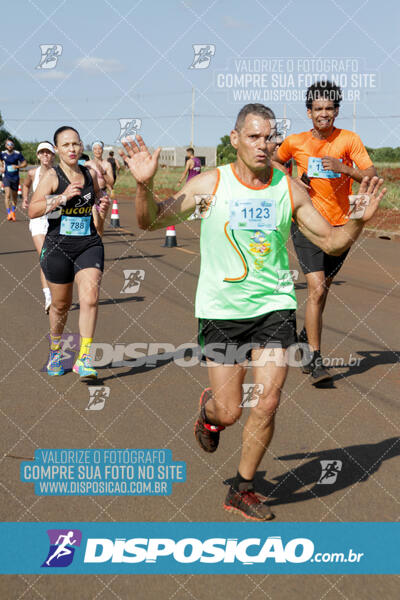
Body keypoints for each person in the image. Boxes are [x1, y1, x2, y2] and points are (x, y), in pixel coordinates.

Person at [120, 103, 386, 521]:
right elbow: (151, 221)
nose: (264, 145)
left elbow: (333, 242)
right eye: (254, 137)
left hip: (274, 308)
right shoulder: (211, 183)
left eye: (270, 137)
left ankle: (243, 488)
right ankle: (210, 415)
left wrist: (358, 220)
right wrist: (144, 186)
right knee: (230, 410)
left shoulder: (288, 189)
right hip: (221, 312)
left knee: (268, 401)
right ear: (235, 139)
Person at [274, 81, 377, 383]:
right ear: (309, 112)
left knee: (324, 290)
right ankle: (315, 360)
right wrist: (292, 180)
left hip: (340, 226)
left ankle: (307, 334)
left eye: (329, 108)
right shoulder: (295, 142)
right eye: (318, 109)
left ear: (336, 111)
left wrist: (347, 170)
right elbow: (275, 161)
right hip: (306, 223)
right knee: (316, 288)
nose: (324, 114)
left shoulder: (349, 139)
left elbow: (370, 175)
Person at [29, 126, 110, 379]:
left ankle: (83, 359)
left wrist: (102, 207)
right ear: (57, 150)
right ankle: (56, 350)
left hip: (88, 244)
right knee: (61, 305)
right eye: (66, 145)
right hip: (58, 247)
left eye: (75, 143)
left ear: (81, 145)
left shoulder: (90, 175)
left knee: (91, 297)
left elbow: (97, 217)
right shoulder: (53, 177)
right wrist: (61, 198)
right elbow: (33, 210)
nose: (72, 149)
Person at [22, 141, 56, 313]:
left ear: (53, 155)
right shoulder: (32, 173)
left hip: (56, 220)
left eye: (48, 152)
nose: (45, 155)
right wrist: (25, 198)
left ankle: (58, 292)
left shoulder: (59, 174)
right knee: (45, 256)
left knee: (58, 260)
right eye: (41, 152)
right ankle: (48, 297)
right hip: (38, 221)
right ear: (37, 155)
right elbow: (26, 184)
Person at [1, 139, 27, 221]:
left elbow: (25, 163)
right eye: (8, 144)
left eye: (11, 144)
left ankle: (13, 212)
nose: (9, 145)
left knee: (14, 197)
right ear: (5, 145)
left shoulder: (17, 154)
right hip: (6, 177)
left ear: (13, 145)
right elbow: (0, 160)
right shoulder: (2, 153)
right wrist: (1, 166)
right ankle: (9, 213)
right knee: (7, 194)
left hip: (15, 178)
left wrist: (18, 167)